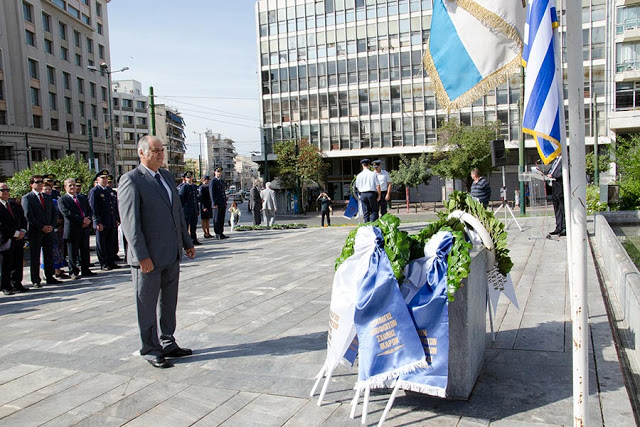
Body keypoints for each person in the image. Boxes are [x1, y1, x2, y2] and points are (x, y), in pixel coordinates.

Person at [118, 135, 196, 369]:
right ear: (141, 153)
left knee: (168, 302)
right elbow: (130, 224)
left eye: (162, 150)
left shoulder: (166, 177)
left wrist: (187, 242)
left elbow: (177, 214)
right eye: (156, 151)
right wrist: (142, 256)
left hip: (171, 254)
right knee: (147, 303)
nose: (161, 154)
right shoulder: (131, 180)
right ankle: (151, 348)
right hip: (148, 258)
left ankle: (168, 341)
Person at [22, 175, 61, 287]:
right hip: (36, 231)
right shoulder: (27, 198)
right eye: (36, 182)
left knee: (49, 254)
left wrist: (51, 226)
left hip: (48, 230)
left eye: (41, 182)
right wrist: (41, 227)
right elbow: (28, 215)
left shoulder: (47, 197)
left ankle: (50, 276)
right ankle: (35, 280)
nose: (39, 184)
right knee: (35, 257)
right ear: (31, 184)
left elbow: (54, 213)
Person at [58, 178, 96, 279]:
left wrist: (87, 220)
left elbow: (89, 210)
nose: (73, 187)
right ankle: (73, 271)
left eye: (74, 185)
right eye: (70, 185)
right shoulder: (63, 199)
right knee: (72, 252)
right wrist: (82, 220)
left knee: (84, 250)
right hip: (72, 229)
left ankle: (85, 269)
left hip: (84, 228)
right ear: (65, 187)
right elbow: (67, 213)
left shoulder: (82, 198)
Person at [0, 182, 28, 294]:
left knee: (17, 262)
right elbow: (1, 225)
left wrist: (22, 231)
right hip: (5, 240)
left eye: (7, 190)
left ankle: (17, 283)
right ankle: (5, 286)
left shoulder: (14, 204)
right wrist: (16, 233)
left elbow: (23, 219)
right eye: (3, 190)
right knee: (5, 265)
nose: (6, 192)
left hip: (18, 239)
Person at [89, 170, 120, 271]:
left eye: (106, 178)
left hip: (110, 221)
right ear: (97, 180)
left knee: (110, 242)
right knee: (102, 243)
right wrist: (97, 221)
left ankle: (110, 261)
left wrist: (116, 219)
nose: (105, 180)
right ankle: (104, 263)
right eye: (102, 178)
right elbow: (93, 208)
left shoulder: (109, 191)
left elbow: (114, 206)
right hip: (102, 222)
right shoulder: (95, 191)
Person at [42, 183, 68, 279]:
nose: (48, 191)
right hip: (46, 229)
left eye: (49, 189)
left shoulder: (54, 201)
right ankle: (46, 272)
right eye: (45, 189)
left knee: (58, 250)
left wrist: (59, 223)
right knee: (49, 252)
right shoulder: (40, 201)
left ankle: (58, 270)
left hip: (58, 229)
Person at [178, 171, 201, 246]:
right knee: (186, 226)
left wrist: (197, 209)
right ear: (185, 178)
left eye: (190, 177)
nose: (189, 178)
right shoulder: (184, 187)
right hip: (186, 210)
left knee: (193, 226)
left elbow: (196, 200)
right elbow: (181, 199)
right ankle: (185, 242)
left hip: (193, 209)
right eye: (188, 177)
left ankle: (194, 239)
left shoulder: (194, 186)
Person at [355, 158, 381, 222]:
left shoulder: (359, 175)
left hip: (363, 194)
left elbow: (357, 186)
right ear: (369, 165)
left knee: (365, 212)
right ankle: (372, 225)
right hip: (371, 193)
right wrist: (379, 196)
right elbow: (378, 186)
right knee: (374, 211)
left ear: (362, 165)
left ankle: (366, 226)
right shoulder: (373, 174)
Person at [547, 156, 565, 236]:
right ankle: (558, 227)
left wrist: (554, 175)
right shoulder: (556, 160)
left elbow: (564, 172)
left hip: (561, 187)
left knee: (562, 208)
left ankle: (564, 228)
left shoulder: (565, 159)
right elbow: (552, 170)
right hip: (554, 187)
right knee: (557, 209)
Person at [209, 167, 228, 239]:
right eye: (217, 172)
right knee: (216, 219)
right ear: (215, 172)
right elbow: (212, 193)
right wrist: (214, 203)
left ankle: (221, 232)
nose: (219, 173)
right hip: (217, 203)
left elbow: (223, 193)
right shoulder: (213, 181)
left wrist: (225, 202)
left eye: (220, 172)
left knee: (221, 218)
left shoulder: (221, 181)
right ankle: (217, 233)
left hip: (222, 202)